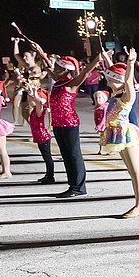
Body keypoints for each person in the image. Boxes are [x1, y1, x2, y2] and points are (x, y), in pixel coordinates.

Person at [99, 49, 139, 218]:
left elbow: (126, 78)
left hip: (127, 134)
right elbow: (115, 72)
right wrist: (106, 59)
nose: (108, 79)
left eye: (111, 78)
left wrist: (131, 63)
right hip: (117, 134)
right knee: (130, 172)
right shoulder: (115, 93)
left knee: (136, 171)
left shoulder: (128, 95)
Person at [43, 53, 99, 198]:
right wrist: (40, 53)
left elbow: (86, 72)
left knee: (74, 155)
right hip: (58, 124)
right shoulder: (58, 82)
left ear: (66, 70)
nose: (54, 69)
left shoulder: (71, 83)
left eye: (57, 67)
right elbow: (48, 66)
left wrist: (97, 59)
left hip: (69, 123)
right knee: (66, 155)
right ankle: (72, 185)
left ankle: (79, 187)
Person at [24, 84, 54, 183]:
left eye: (31, 99)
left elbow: (39, 102)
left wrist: (34, 92)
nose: (29, 100)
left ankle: (50, 176)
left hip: (43, 136)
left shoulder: (40, 109)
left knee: (47, 157)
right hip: (39, 136)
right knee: (46, 157)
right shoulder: (33, 111)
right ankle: (48, 175)